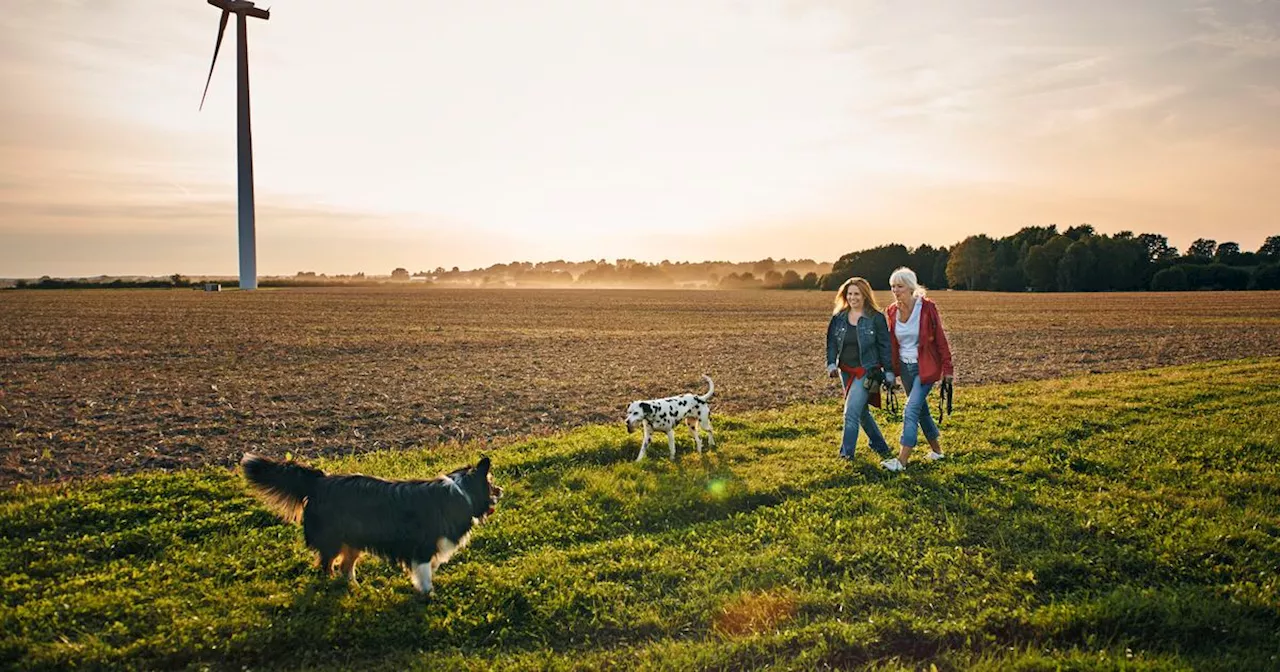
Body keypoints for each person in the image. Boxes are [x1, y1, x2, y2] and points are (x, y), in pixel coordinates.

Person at [883, 266, 954, 471]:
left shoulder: (927, 308)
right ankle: (938, 452)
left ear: (911, 287)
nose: (896, 291)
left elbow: (940, 339)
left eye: (900, 286)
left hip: (925, 368)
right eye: (893, 287)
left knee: (911, 409)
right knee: (921, 410)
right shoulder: (892, 311)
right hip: (905, 369)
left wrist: (948, 369)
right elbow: (891, 344)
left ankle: (901, 461)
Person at [825, 276, 896, 465]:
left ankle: (846, 456)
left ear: (865, 295)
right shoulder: (838, 318)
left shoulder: (876, 318)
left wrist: (889, 371)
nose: (852, 297)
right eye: (849, 294)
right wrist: (831, 363)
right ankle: (880, 446)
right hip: (845, 371)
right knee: (861, 411)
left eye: (856, 293)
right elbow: (831, 342)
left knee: (851, 413)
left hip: (867, 371)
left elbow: (885, 346)